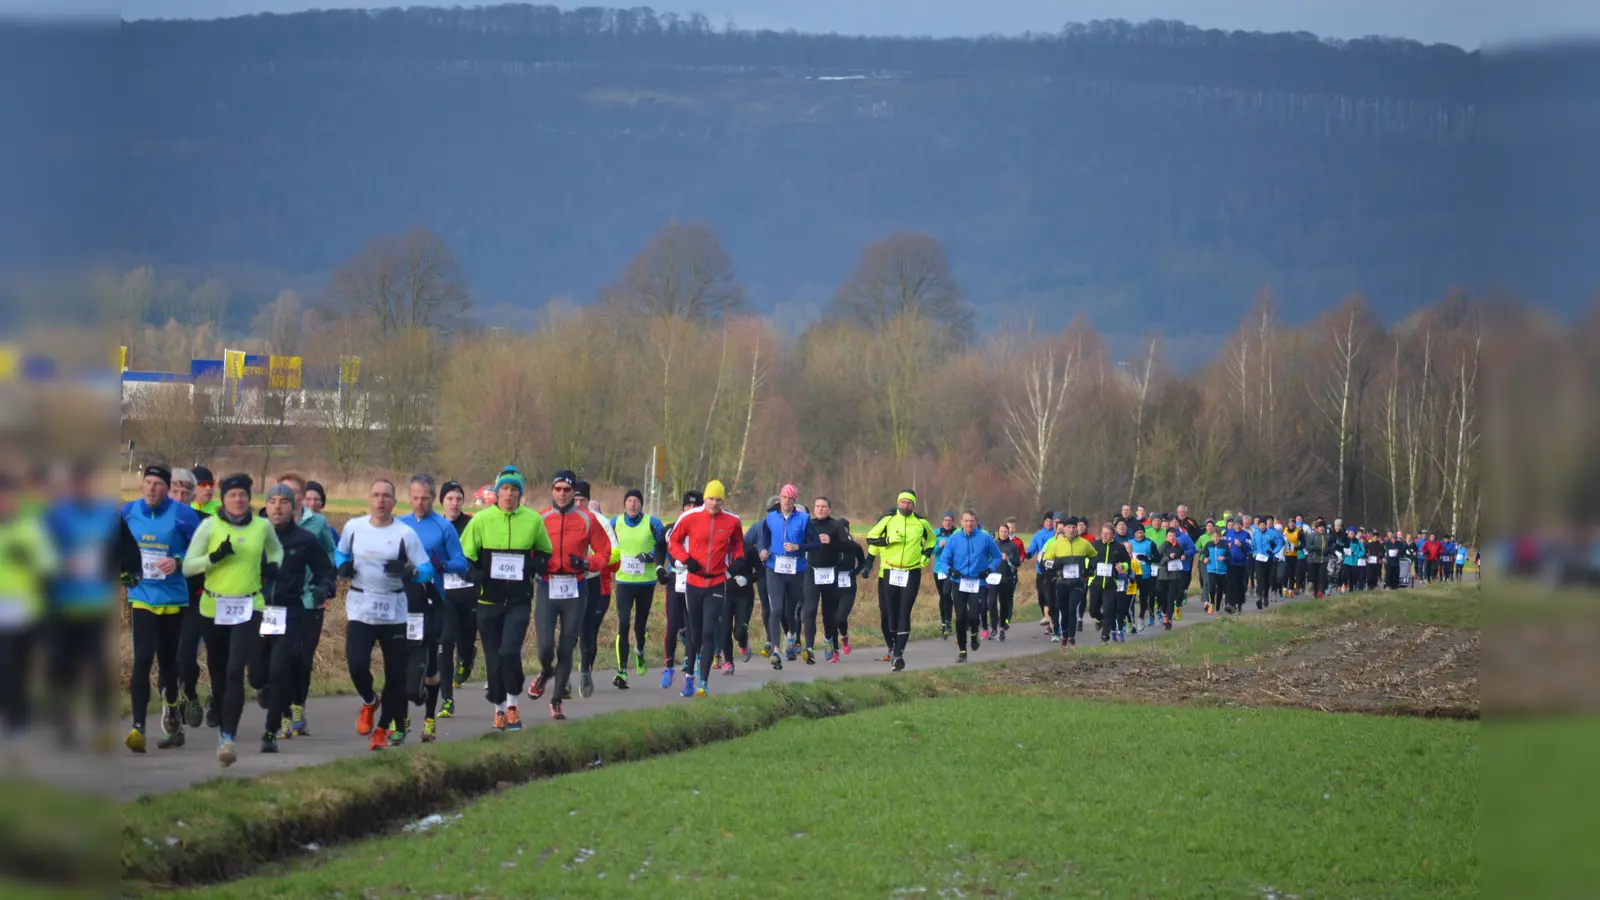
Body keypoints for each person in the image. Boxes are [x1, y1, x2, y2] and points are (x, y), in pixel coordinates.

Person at [181, 473, 285, 765]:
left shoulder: (262, 526)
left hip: (250, 606)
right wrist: (212, 558)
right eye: (232, 495)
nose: (238, 499)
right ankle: (221, 713)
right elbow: (188, 567)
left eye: (242, 494)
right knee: (218, 672)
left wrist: (275, 565)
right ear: (222, 499)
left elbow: (276, 548)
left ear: (249, 498)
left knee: (234, 670)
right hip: (213, 607)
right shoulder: (209, 526)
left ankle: (228, 739)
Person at [43, 460, 141, 751]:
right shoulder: (57, 516)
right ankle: (64, 727)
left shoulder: (107, 514)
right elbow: (41, 552)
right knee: (64, 670)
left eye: (87, 483)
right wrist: (60, 564)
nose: (83, 489)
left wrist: (129, 570)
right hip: (62, 607)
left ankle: (101, 728)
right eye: (77, 484)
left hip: (95, 606)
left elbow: (126, 547)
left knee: (99, 669)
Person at [335, 478, 435, 750]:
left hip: (394, 611)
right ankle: (369, 701)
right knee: (356, 664)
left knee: (396, 676)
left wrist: (410, 571)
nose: (381, 501)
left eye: (386, 496)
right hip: (361, 607)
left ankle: (382, 729)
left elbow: (427, 570)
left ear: (394, 501)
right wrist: (343, 566)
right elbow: (340, 553)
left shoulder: (405, 534)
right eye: (376, 495)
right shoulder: (354, 528)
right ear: (369, 499)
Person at [459, 466, 552, 731]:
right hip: (488, 600)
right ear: (496, 492)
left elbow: (545, 553)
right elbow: (466, 556)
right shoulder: (481, 520)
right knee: (493, 658)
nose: (509, 494)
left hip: (518, 600)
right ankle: (499, 710)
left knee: (509, 651)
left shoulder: (533, 520)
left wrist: (536, 566)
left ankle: (513, 704)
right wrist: (475, 575)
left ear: (520, 494)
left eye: (514, 489)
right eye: (505, 489)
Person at [121, 464, 201, 752]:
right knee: (142, 659)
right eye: (148, 482)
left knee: (169, 665)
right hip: (142, 597)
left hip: (173, 600)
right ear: (141, 485)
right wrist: (124, 570)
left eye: (158, 484)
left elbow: (200, 550)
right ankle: (138, 727)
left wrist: (178, 561)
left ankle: (172, 707)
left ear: (167, 488)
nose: (152, 488)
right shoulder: (128, 512)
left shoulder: (183, 515)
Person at [250, 483, 335, 751]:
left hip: (290, 613)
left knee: (279, 669)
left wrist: (323, 588)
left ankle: (270, 732)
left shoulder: (305, 540)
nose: (277, 506)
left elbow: (326, 570)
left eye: (283, 502)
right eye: (272, 501)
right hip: (257, 611)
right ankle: (271, 694)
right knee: (256, 676)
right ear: (265, 506)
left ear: (293, 507)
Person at [529, 470, 612, 719]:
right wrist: (537, 564)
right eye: (558, 489)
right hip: (547, 586)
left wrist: (587, 563)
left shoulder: (587, 519)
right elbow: (528, 551)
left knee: (567, 646)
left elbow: (605, 552)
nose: (562, 494)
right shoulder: (541, 518)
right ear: (552, 491)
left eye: (567, 490)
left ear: (573, 492)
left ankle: (556, 702)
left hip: (575, 588)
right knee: (545, 648)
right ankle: (545, 672)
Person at [397, 474, 469, 743]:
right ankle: (401, 721)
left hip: (433, 603)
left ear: (432, 497)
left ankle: (428, 719)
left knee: (428, 666)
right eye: (414, 498)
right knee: (401, 664)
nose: (419, 503)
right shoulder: (399, 524)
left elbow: (461, 563)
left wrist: (442, 565)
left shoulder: (443, 527)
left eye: (424, 498)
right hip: (403, 603)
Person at [665, 479, 745, 697]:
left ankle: (704, 683)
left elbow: (738, 543)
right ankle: (689, 675)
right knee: (695, 635)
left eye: (719, 499)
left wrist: (737, 560)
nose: (714, 503)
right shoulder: (690, 517)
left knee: (709, 632)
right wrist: (686, 559)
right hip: (694, 581)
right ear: (705, 498)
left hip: (717, 581)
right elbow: (673, 542)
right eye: (711, 498)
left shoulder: (731, 521)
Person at [0, 471, 57, 748]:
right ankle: (14, 715)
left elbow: (49, 565)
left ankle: (20, 716)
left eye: (6, 498)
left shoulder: (28, 528)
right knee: (6, 665)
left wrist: (28, 558)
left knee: (17, 667)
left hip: (24, 612)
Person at [864, 490, 938, 670]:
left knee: (904, 612)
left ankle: (898, 655)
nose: (906, 506)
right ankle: (893, 646)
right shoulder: (888, 519)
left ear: (914, 505)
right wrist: (888, 540)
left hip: (911, 572)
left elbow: (931, 541)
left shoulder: (921, 522)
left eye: (909, 503)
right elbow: (870, 538)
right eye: (903, 502)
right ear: (898, 503)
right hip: (890, 571)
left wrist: (925, 557)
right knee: (890, 616)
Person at [610, 488, 665, 689]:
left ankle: (640, 652)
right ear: (624, 504)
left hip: (646, 583)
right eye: (629, 500)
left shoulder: (653, 523)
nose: (632, 504)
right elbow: (607, 545)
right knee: (623, 623)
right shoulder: (615, 523)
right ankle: (621, 671)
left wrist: (651, 556)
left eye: (636, 501)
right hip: (624, 581)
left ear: (641, 504)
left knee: (639, 626)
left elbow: (664, 546)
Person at [571, 482, 620, 698]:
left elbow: (615, 554)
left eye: (582, 500)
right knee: (569, 632)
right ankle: (564, 676)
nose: (579, 503)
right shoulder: (564, 518)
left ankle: (585, 670)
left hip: (596, 583)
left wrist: (592, 562)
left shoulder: (599, 521)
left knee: (588, 630)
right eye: (576, 500)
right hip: (568, 584)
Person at [756, 484, 810, 664]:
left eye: (790, 498)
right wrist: (763, 549)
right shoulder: (770, 518)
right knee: (776, 609)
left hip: (796, 570)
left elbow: (815, 544)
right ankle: (775, 649)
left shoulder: (804, 519)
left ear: (795, 500)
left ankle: (791, 638)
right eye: (784, 498)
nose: (786, 501)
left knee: (790, 612)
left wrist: (798, 547)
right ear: (780, 499)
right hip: (774, 568)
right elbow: (763, 537)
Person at [937, 510, 1002, 662]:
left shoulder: (985, 538)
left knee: (974, 616)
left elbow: (997, 557)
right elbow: (944, 561)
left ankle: (974, 633)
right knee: (960, 618)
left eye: (972, 521)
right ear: (961, 522)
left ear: (976, 522)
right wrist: (950, 571)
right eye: (966, 521)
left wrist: (989, 570)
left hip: (977, 582)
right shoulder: (954, 539)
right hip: (959, 582)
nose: (969, 524)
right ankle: (962, 651)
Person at [437, 480, 476, 718]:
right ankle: (447, 700)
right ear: (442, 501)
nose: (454, 503)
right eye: (450, 499)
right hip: (444, 594)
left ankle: (468, 657)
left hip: (468, 591)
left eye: (459, 499)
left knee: (465, 641)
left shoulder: (471, 524)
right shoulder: (435, 526)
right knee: (445, 642)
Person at [799, 496, 851, 664]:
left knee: (829, 613)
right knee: (810, 610)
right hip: (811, 573)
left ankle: (829, 641)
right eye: (817, 506)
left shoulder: (835, 525)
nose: (820, 509)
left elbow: (847, 547)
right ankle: (809, 647)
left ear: (829, 509)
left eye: (823, 506)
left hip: (830, 573)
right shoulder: (809, 524)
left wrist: (831, 541)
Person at [659, 490, 701, 687]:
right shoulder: (671, 528)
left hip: (696, 581)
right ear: (682, 508)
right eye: (687, 506)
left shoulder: (703, 530)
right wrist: (660, 568)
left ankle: (690, 671)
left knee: (692, 628)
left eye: (695, 506)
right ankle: (668, 668)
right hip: (675, 581)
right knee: (672, 625)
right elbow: (659, 547)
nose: (691, 509)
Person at [1087, 523, 1133, 643]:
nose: (1105, 536)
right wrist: (1088, 567)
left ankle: (1105, 634)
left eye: (1107, 534)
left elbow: (1127, 561)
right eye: (1103, 533)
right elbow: (1087, 559)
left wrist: (1122, 566)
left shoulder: (1119, 547)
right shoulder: (1095, 545)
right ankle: (1099, 619)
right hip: (1096, 582)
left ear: (1113, 535)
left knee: (1108, 609)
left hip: (1111, 583)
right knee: (1092, 610)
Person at [930, 512, 958, 639]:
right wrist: (939, 546)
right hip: (939, 569)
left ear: (953, 522)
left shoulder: (957, 533)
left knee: (947, 593)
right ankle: (944, 621)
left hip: (952, 569)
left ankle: (947, 621)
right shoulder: (936, 533)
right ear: (942, 521)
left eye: (950, 520)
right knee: (943, 596)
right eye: (945, 520)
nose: (947, 522)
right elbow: (930, 551)